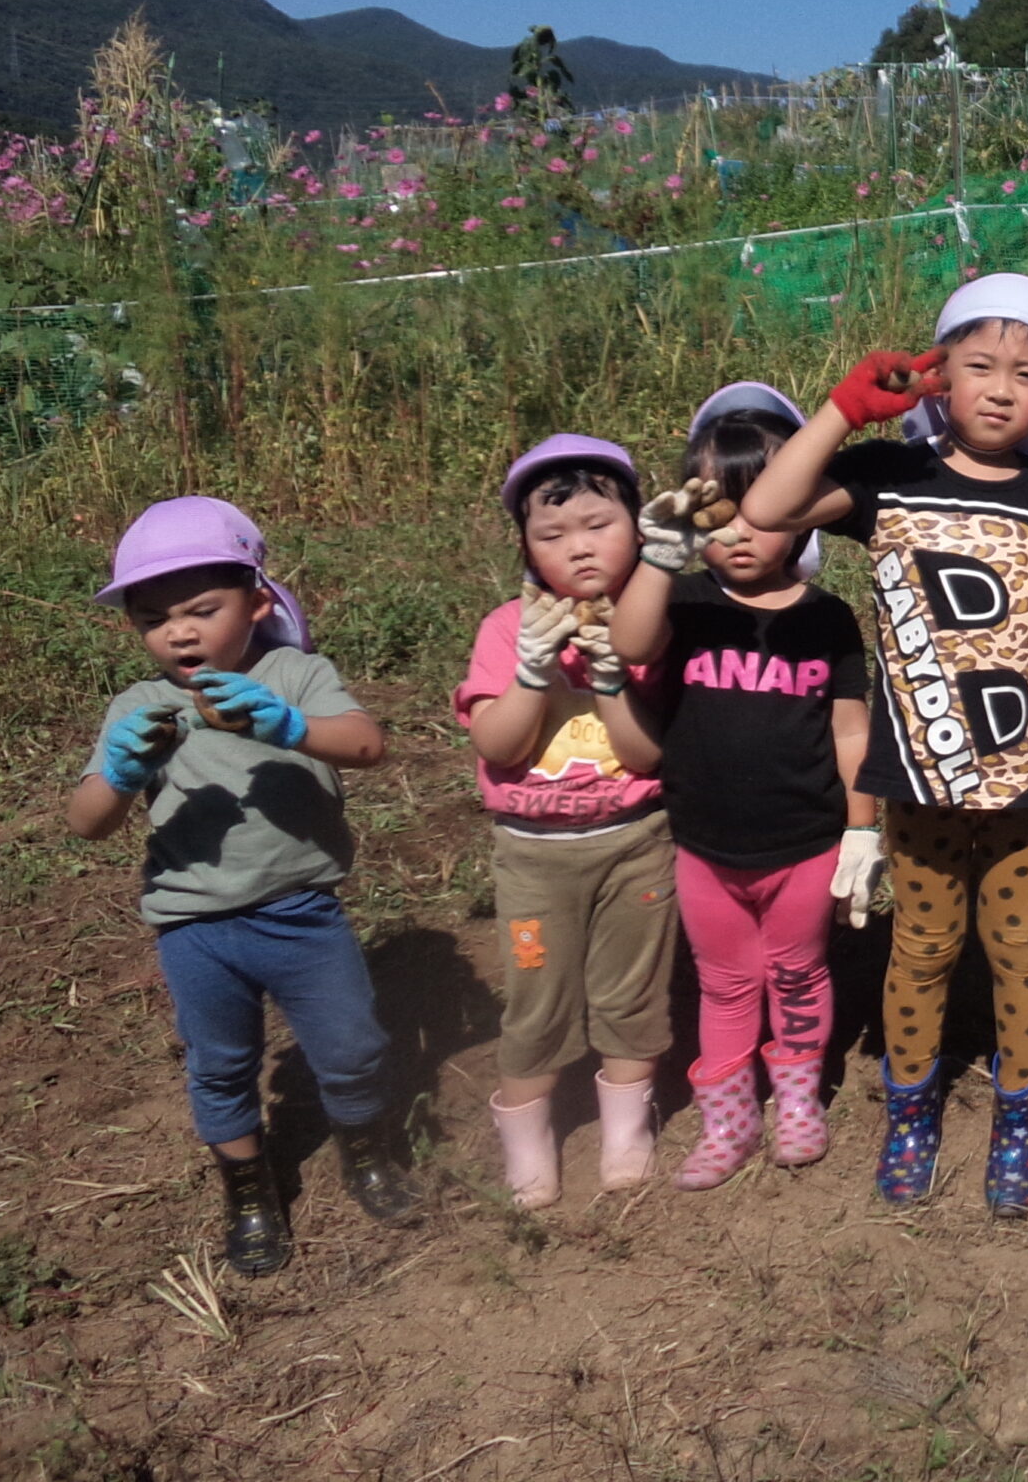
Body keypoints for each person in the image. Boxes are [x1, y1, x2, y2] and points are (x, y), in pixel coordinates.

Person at [739, 274, 1028, 1216]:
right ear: (936, 375)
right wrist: (841, 410)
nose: (998, 387)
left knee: (1023, 949)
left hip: (1025, 779)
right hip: (918, 775)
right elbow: (769, 513)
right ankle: (913, 1112)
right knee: (925, 946)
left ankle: (1019, 1117)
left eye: (1026, 373)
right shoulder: (885, 477)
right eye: (977, 364)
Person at [67, 498, 417, 1276]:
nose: (179, 631)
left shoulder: (294, 674)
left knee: (353, 1047)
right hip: (197, 928)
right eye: (154, 618)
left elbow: (367, 743)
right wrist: (121, 773)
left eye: (202, 609)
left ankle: (367, 1153)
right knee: (220, 1062)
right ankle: (250, 1191)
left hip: (303, 914)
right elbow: (87, 821)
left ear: (258, 602)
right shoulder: (137, 708)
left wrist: (286, 725)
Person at [609, 384, 876, 1189]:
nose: (739, 533)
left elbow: (851, 731)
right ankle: (727, 1121)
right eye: (715, 516)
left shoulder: (827, 619)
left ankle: (797, 1102)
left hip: (803, 843)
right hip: (705, 846)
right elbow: (626, 643)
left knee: (797, 973)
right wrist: (657, 556)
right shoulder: (684, 604)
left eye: (760, 511)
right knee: (724, 982)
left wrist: (863, 830)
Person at [456, 436, 671, 1209]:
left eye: (597, 524)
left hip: (634, 846)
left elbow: (648, 759)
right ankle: (528, 1140)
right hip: (534, 856)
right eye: (552, 534)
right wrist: (532, 671)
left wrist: (612, 674)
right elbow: (498, 745)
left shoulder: (651, 630)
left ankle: (625, 1129)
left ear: (639, 528)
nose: (578, 547)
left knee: (632, 992)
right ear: (525, 546)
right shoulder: (506, 629)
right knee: (536, 999)